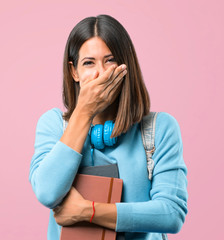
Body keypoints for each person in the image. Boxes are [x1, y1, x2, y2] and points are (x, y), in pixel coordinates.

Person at [29, 14, 188, 240]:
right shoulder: (53, 124)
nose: (101, 73)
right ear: (74, 72)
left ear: (126, 66)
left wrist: (87, 211)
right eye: (88, 63)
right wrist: (84, 111)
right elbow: (47, 192)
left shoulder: (160, 128)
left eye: (110, 60)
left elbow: (171, 214)